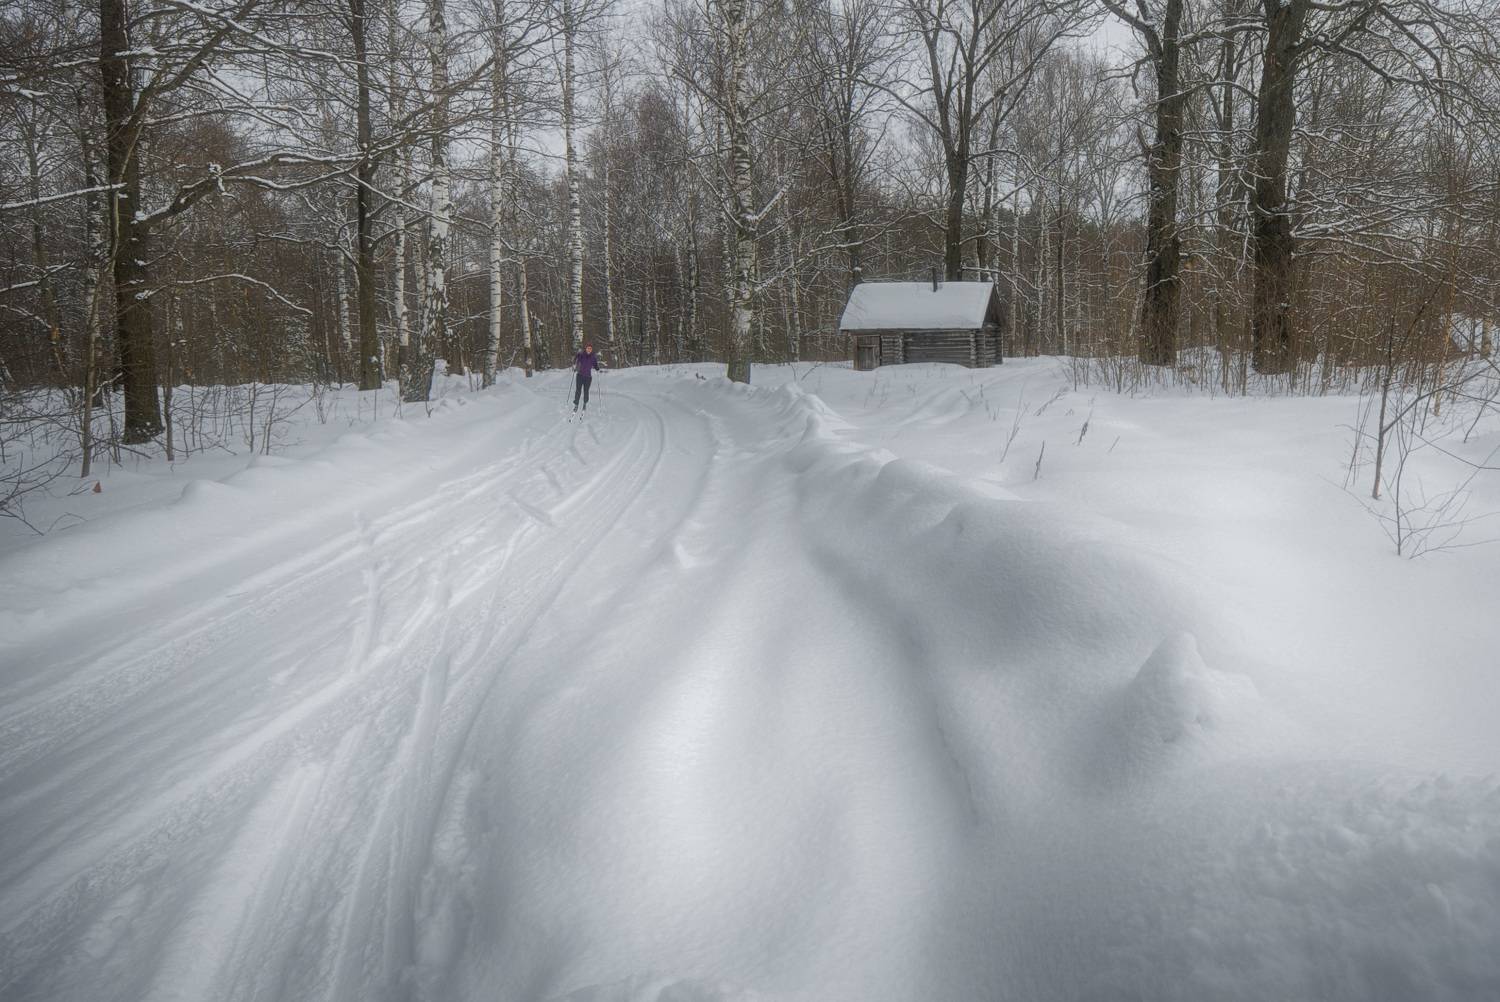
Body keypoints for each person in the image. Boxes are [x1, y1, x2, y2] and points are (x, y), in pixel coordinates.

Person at [573, 342, 600, 411]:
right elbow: (576, 360)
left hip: (588, 377)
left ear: (591, 349)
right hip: (580, 375)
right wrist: (577, 355)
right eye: (588, 348)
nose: (589, 349)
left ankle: (585, 403)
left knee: (586, 391)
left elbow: (595, 364)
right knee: (578, 390)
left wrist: (597, 368)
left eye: (590, 348)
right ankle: (576, 404)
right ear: (586, 348)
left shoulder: (593, 357)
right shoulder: (582, 355)